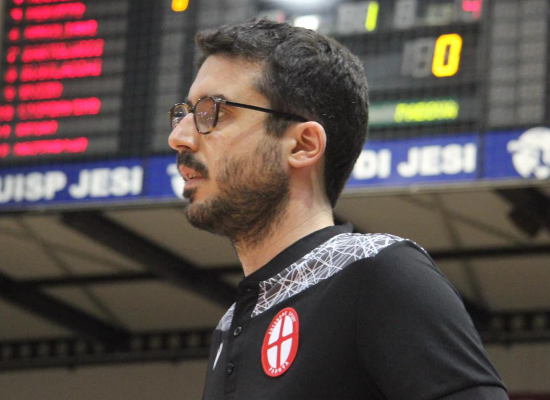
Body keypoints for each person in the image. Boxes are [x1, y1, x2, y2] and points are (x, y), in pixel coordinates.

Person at [168, 18, 508, 400]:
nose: (178, 136)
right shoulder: (230, 324)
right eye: (183, 113)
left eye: (212, 111)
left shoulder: (381, 272)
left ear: (303, 145)